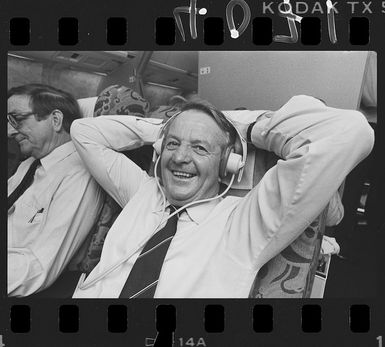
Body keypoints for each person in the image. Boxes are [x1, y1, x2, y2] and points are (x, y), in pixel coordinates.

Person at [70, 95, 374, 298]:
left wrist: (250, 130)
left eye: (200, 148)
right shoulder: (143, 190)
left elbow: (351, 131)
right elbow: (84, 131)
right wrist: (166, 129)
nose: (179, 158)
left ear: (227, 163)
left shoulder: (244, 223)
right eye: (173, 145)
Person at [7, 84, 104, 297]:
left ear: (56, 120)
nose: (9, 131)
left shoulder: (79, 174)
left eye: (18, 119)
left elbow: (39, 267)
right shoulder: (29, 164)